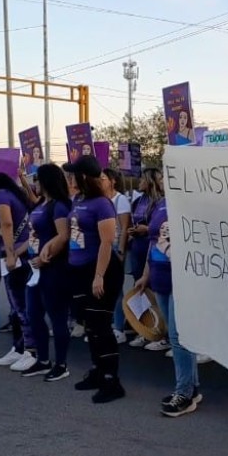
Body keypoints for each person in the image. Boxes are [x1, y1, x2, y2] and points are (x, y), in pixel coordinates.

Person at [134, 190, 202, 416]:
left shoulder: (193, 202)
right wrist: (145, 275)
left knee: (178, 336)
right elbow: (153, 242)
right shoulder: (161, 203)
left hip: (182, 281)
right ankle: (191, 388)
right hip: (159, 278)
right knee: (179, 338)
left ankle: (183, 392)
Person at [66, 155, 125, 403]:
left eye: (73, 175)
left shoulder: (102, 204)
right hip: (80, 270)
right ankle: (97, 371)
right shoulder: (78, 199)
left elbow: (107, 241)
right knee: (90, 326)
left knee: (101, 327)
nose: (69, 178)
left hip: (101, 270)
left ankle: (112, 380)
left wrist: (99, 275)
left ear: (84, 177)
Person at [21, 163, 72, 380]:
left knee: (57, 317)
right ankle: (42, 360)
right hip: (35, 270)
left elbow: (63, 235)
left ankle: (61, 364)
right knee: (33, 313)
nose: (35, 184)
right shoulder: (41, 204)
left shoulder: (59, 206)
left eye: (37, 180)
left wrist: (45, 255)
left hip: (54, 269)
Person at [0, 173, 37, 372]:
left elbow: (7, 224)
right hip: (24, 252)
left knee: (20, 305)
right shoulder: (18, 195)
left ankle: (31, 350)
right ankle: (19, 347)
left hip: (14, 256)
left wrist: (10, 254)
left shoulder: (0, 194)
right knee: (17, 307)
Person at [127, 168, 165, 349]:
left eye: (143, 178)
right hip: (138, 247)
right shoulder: (138, 201)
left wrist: (146, 229)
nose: (139, 181)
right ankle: (145, 329)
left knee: (156, 291)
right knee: (141, 288)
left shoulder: (158, 202)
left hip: (152, 247)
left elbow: (158, 228)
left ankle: (160, 330)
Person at [104, 168, 131, 343]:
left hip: (115, 248)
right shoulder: (100, 200)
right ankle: (109, 324)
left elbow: (124, 228)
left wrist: (120, 250)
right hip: (103, 247)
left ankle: (119, 327)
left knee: (117, 289)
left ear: (113, 181)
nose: (100, 181)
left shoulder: (120, 200)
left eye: (103, 178)